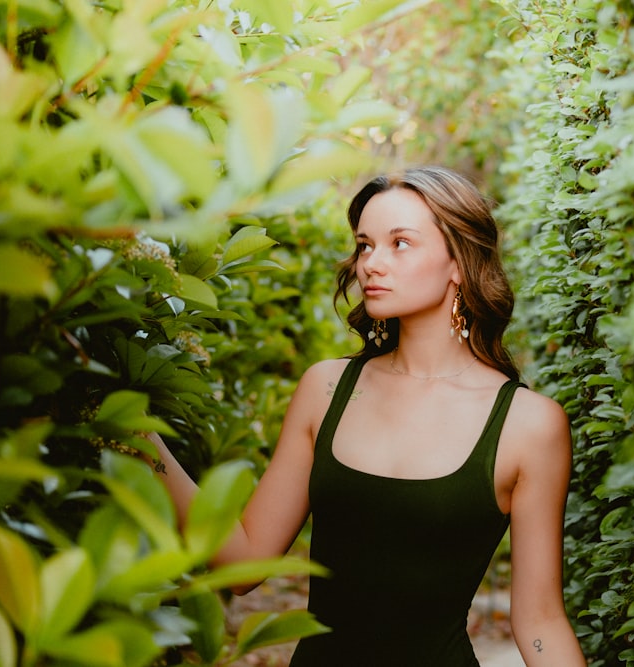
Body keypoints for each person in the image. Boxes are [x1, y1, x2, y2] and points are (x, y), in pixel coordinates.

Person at [145, 166, 586, 666]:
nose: (372, 263)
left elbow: (541, 620)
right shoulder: (326, 390)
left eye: (400, 243)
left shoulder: (529, 426)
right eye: (364, 245)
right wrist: (138, 437)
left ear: (457, 264)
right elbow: (245, 564)